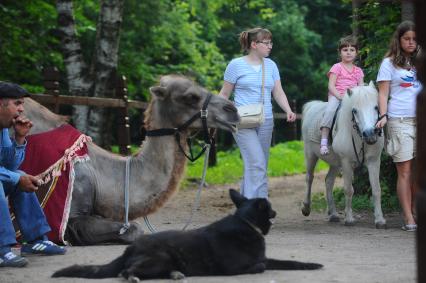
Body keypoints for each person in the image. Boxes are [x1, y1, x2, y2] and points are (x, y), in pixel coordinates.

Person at [219, 27, 296, 199]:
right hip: (242, 121)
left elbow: (278, 92)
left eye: (271, 43)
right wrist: (222, 112)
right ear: (254, 44)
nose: (270, 46)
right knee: (257, 163)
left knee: (258, 164)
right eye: (266, 43)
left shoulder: (271, 65)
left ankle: (247, 206)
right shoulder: (235, 65)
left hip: (266, 120)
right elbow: (223, 94)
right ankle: (260, 207)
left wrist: (288, 110)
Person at [0, 82, 66, 268]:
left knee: (19, 175)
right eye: (17, 103)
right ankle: (1, 250)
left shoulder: (3, 128)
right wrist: (17, 179)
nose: (21, 109)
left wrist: (20, 139)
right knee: (16, 178)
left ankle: (34, 240)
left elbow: (9, 166)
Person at [375, 21, 421, 232]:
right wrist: (383, 115)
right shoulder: (389, 63)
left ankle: (416, 208)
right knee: (405, 172)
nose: (411, 42)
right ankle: (408, 216)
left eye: (414, 38)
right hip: (399, 120)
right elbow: (383, 93)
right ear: (399, 40)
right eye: (407, 39)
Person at [319, 35, 364, 155]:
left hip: (353, 98)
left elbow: (361, 87)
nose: (348, 53)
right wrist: (340, 97)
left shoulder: (358, 71)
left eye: (352, 50)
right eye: (345, 50)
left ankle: (364, 138)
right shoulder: (337, 67)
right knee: (330, 111)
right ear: (340, 52)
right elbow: (331, 86)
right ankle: (324, 141)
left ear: (356, 52)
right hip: (337, 96)